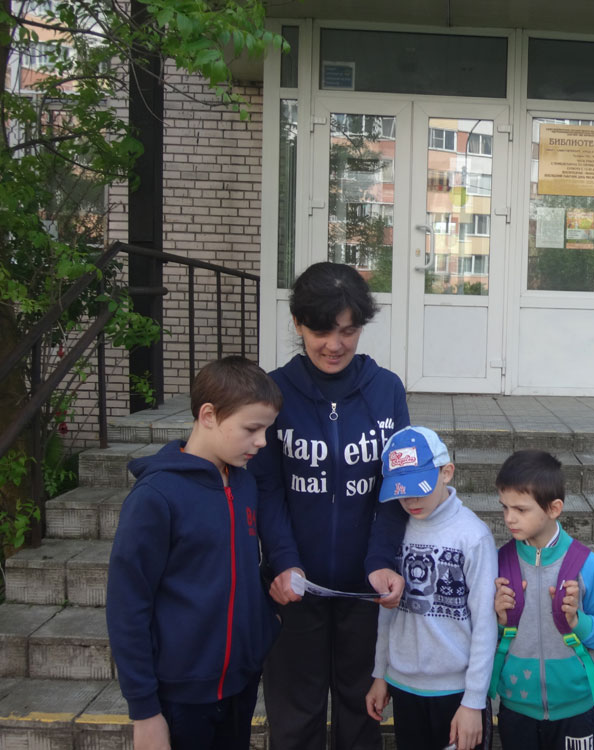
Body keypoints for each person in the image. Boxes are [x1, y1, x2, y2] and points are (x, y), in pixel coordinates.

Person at [251, 261, 410, 750]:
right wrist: (283, 561)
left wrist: (381, 560)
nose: (335, 345)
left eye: (348, 331)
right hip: (294, 590)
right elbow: (268, 489)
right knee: (294, 719)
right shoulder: (274, 392)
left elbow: (397, 486)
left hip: (366, 592)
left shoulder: (386, 390)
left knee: (361, 716)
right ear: (298, 324)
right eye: (321, 331)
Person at [106, 356, 284, 750]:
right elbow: (127, 606)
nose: (261, 442)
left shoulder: (244, 485)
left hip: (240, 684)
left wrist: (264, 625)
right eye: (252, 429)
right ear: (208, 415)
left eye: (266, 430)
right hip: (180, 697)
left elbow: (242, 569)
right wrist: (144, 711)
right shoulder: (156, 497)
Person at [364, 426, 498, 750]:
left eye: (418, 489)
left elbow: (485, 622)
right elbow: (387, 612)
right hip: (403, 686)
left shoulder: (473, 536)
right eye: (401, 492)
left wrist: (473, 701)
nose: (410, 500)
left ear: (446, 472)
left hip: (456, 693)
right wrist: (380, 674)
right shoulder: (395, 532)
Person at [491, 450, 594, 750]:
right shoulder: (500, 563)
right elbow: (484, 638)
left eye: (521, 509)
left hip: (576, 709)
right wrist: (498, 620)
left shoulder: (586, 564)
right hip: (515, 707)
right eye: (505, 507)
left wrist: (578, 621)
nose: (509, 518)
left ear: (554, 508)